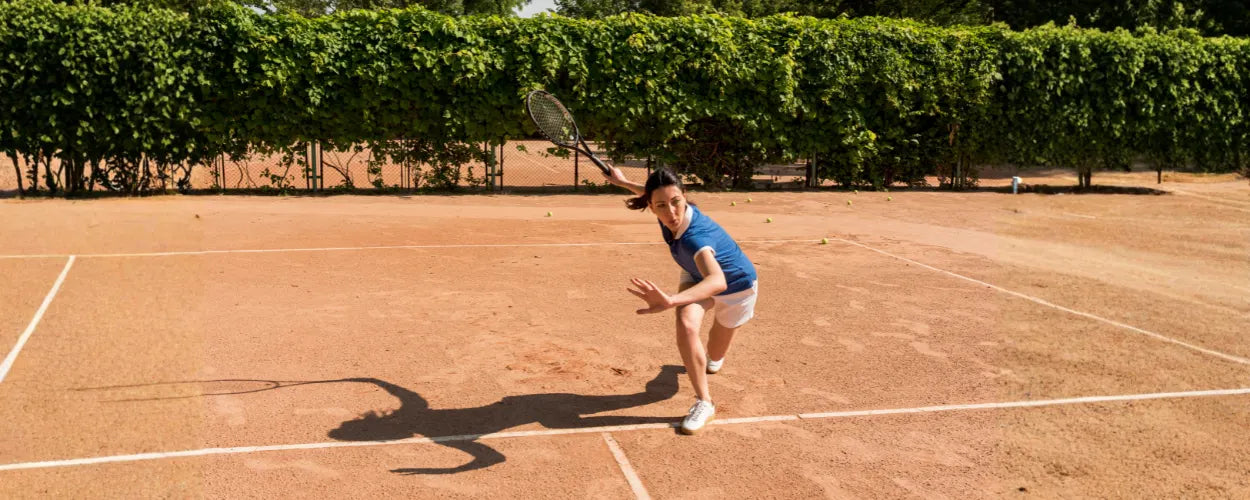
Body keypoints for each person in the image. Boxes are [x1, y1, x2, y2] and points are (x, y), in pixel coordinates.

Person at [604, 166, 759, 434]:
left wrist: (671, 300)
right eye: (661, 206)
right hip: (695, 273)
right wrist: (623, 182)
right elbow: (652, 193)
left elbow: (718, 281)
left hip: (737, 287)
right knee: (687, 324)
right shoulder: (664, 208)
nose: (671, 212)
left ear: (685, 196)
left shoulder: (694, 238)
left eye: (676, 202)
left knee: (714, 358)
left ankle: (710, 358)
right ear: (651, 207)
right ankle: (705, 402)